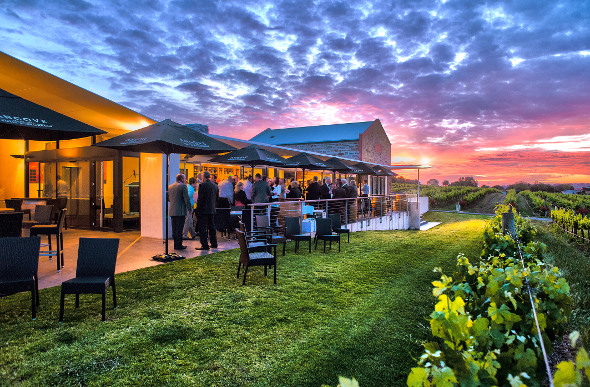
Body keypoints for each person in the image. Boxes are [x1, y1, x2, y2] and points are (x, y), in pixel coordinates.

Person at [168, 174, 192, 250]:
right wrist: (189, 209)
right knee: (179, 229)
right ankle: (179, 245)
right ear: (181, 179)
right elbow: (186, 199)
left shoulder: (170, 186)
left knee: (174, 229)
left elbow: (169, 198)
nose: (186, 180)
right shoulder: (183, 186)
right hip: (180, 211)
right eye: (185, 178)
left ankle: (176, 245)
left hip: (172, 211)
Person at [196, 171, 218, 251]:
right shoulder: (215, 186)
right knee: (212, 226)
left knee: (203, 227)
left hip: (203, 209)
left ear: (203, 177)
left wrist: (198, 208)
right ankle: (214, 243)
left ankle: (204, 245)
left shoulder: (202, 185)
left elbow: (200, 199)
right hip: (212, 209)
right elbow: (217, 199)